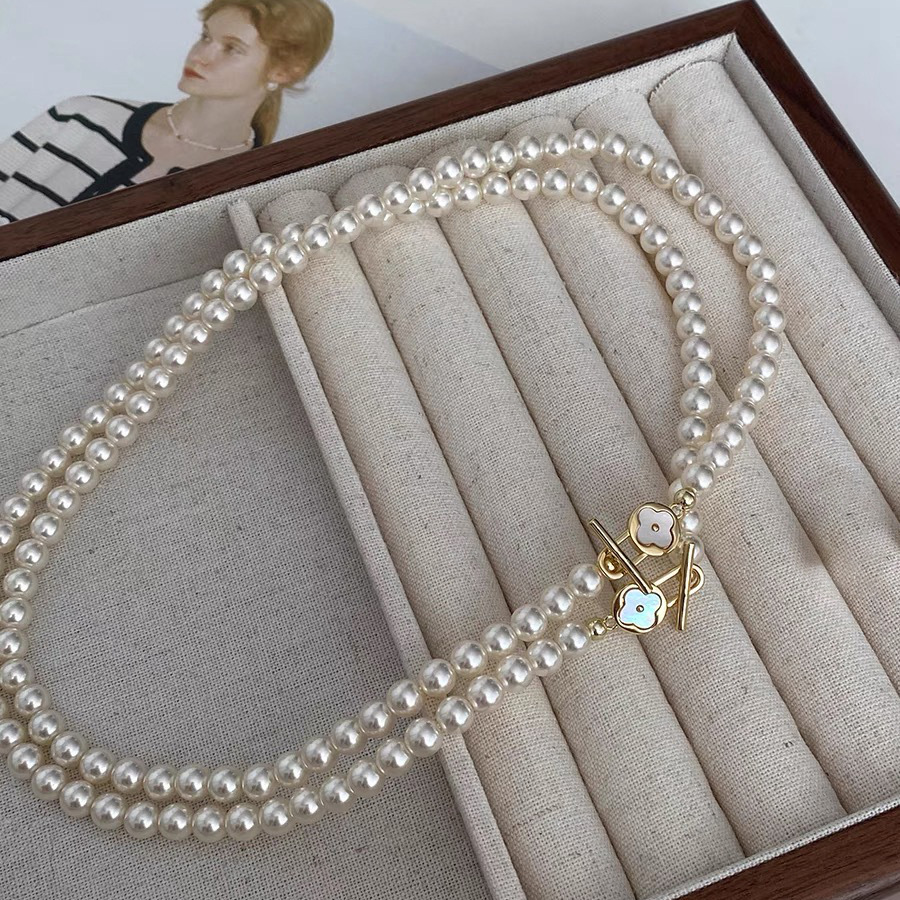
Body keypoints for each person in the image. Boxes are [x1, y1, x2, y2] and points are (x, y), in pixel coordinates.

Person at [0, 0, 333, 224]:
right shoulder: (79, 115)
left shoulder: (245, 194)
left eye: (232, 48)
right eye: (205, 37)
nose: (200, 55)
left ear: (285, 71)